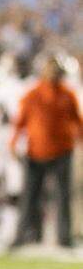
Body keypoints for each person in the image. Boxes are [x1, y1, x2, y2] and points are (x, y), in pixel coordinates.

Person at [10, 55, 82, 249]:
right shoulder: (33, 94)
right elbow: (20, 121)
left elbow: (77, 120)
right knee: (30, 196)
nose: (53, 74)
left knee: (63, 196)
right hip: (35, 151)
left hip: (62, 151)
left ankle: (64, 237)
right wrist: (14, 143)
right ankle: (24, 234)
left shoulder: (67, 94)